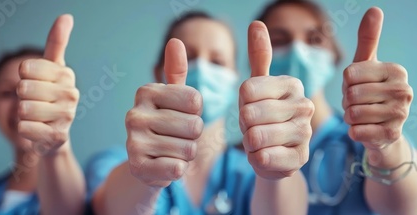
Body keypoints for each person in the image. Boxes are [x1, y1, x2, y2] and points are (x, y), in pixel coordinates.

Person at [86, 11, 312, 215]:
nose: (203, 70)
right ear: (159, 73)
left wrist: (274, 173)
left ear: (234, 78)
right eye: (190, 57)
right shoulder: (113, 164)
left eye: (217, 61)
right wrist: (146, 177)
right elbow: (110, 207)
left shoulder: (247, 172)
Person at [256, 0, 417, 214]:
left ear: (333, 57)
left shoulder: (362, 138)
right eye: (280, 40)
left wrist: (386, 147)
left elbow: (405, 205)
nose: (298, 50)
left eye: (314, 40)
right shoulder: (245, 156)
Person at [0, 15, 86, 215]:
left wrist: (54, 149)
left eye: (35, 92)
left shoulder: (98, 191)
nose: (22, 106)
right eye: (7, 93)